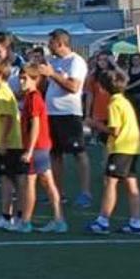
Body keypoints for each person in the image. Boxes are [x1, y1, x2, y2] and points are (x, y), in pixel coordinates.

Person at [85, 70, 140, 235]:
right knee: (132, 185)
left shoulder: (114, 104)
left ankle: (102, 221)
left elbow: (115, 131)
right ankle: (135, 222)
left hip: (121, 148)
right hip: (133, 147)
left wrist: (95, 125)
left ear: (103, 88)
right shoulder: (124, 101)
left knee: (110, 184)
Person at [40, 28, 92, 208]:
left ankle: (85, 192)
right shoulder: (52, 61)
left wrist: (52, 74)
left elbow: (74, 87)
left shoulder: (76, 61)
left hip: (69, 114)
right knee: (54, 154)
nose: (48, 46)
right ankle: (58, 193)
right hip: (51, 114)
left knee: (79, 153)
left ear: (60, 43)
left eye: (51, 43)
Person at [16, 65, 66, 233]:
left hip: (37, 147)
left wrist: (29, 150)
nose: (21, 81)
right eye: (20, 78)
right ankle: (59, 220)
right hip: (41, 146)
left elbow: (36, 125)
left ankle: (26, 221)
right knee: (47, 182)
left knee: (30, 183)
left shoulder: (34, 98)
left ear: (35, 79)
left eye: (25, 78)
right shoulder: (30, 97)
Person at [0, 59, 24, 230]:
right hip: (5, 141)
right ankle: (7, 215)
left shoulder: (3, 91)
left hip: (9, 143)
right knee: (7, 179)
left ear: (0, 74)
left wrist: (2, 142)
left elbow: (8, 118)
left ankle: (16, 216)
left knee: (11, 180)